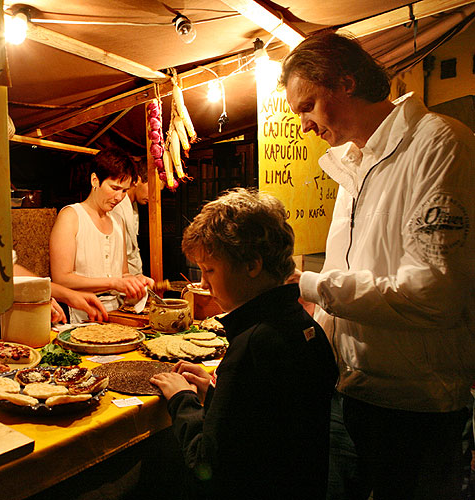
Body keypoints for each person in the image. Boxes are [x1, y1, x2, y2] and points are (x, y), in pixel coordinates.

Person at [279, 31, 475, 500]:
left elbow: (433, 295)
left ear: (346, 82)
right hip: (350, 390)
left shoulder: (439, 144)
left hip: (415, 406)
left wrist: (309, 285)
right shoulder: (352, 163)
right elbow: (359, 268)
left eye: (307, 106)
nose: (304, 125)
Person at [150, 188, 338, 499]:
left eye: (210, 270)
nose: (205, 284)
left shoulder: (253, 345)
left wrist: (182, 399)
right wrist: (214, 392)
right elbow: (260, 428)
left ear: (252, 265)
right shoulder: (305, 327)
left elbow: (207, 462)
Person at [50, 146, 154, 323]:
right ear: (95, 180)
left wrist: (135, 281)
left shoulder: (117, 221)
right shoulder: (71, 216)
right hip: (81, 313)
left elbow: (123, 273)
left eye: (124, 191)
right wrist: (113, 283)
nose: (119, 197)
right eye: (114, 188)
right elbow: (61, 279)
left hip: (116, 314)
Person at [111, 162, 150, 275]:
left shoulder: (133, 207)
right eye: (151, 188)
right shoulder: (116, 206)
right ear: (137, 180)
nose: (154, 196)